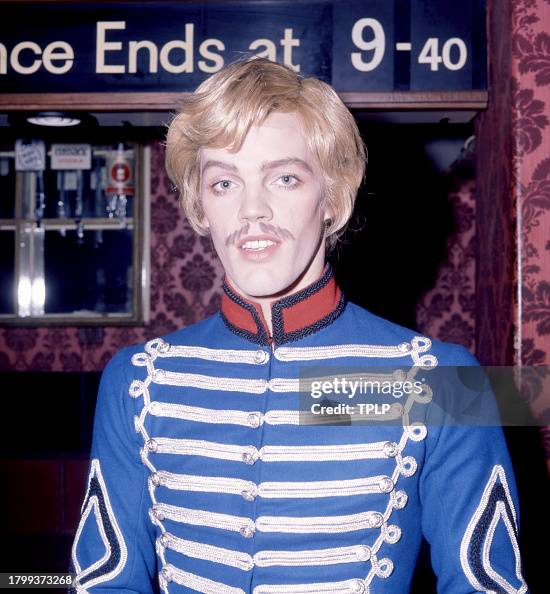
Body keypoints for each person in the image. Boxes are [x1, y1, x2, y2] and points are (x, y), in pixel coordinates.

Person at [70, 57, 527, 594]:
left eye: (284, 178)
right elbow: (105, 580)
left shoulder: (436, 379)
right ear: (200, 206)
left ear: (332, 198)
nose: (251, 211)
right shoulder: (136, 381)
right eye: (224, 183)